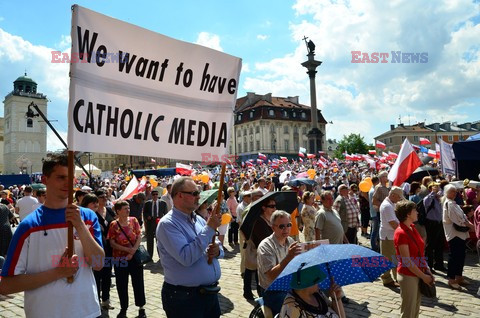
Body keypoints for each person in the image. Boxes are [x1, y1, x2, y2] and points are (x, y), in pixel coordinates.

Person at [0, 154, 104, 318]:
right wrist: (58, 273)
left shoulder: (89, 218)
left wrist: (80, 225)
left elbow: (98, 264)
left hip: (88, 312)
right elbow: (6, 285)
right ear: (45, 179)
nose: (68, 183)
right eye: (61, 177)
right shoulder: (28, 226)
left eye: (70, 177)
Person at [157, 177, 223, 318]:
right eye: (194, 193)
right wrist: (210, 227)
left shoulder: (199, 219)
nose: (199, 196)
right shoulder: (167, 224)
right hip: (185, 298)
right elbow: (186, 257)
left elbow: (217, 245)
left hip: (209, 294)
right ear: (180, 195)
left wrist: (217, 250)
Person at [394, 200, 434, 318]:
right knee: (408, 311)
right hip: (408, 275)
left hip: (418, 271)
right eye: (415, 210)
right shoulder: (401, 232)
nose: (417, 212)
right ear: (408, 214)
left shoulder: (412, 227)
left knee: (415, 309)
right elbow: (407, 261)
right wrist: (424, 277)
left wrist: (426, 270)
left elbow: (420, 253)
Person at [257, 210, 302, 316]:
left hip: (289, 286)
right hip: (272, 290)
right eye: (282, 226)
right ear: (273, 227)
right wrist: (289, 257)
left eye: (289, 225)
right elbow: (271, 275)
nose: (286, 229)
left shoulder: (290, 241)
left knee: (313, 298)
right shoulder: (266, 246)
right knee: (294, 310)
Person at [108, 200, 146, 318]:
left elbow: (139, 236)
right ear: (118, 211)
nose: (128, 210)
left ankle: (141, 308)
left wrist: (132, 251)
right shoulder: (113, 224)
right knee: (121, 284)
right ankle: (123, 308)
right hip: (120, 259)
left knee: (138, 283)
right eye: (125, 208)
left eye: (128, 208)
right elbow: (112, 243)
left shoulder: (134, 220)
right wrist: (127, 251)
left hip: (135, 258)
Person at [279, 265, 345, 318]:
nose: (319, 284)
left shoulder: (318, 294)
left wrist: (336, 298)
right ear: (307, 284)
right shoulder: (292, 308)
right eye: (317, 281)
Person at [442, 184, 475, 290]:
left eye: (455, 191)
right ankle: (451, 279)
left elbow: (462, 216)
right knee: (455, 257)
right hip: (454, 234)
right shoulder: (449, 204)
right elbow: (457, 220)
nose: (454, 193)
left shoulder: (453, 203)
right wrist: (469, 225)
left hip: (459, 234)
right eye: (452, 191)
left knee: (461, 256)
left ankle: (459, 277)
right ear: (447, 192)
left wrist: (467, 221)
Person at [94, 190, 117, 310]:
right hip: (97, 248)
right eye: (101, 197)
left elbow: (114, 223)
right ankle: (96, 300)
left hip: (108, 248)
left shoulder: (108, 210)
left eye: (105, 196)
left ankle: (106, 300)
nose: (104, 198)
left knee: (107, 274)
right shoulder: (92, 212)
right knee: (97, 275)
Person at [379, 186, 403, 288]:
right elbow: (393, 223)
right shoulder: (387, 206)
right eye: (398, 197)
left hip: (390, 235)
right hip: (388, 236)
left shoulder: (390, 204)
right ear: (393, 195)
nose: (399, 199)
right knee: (387, 259)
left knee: (393, 258)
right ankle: (387, 279)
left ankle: (395, 277)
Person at [423, 182, 446, 271]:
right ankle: (429, 266)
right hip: (431, 223)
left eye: (438, 187)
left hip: (439, 223)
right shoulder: (428, 198)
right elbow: (426, 203)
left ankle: (439, 264)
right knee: (430, 245)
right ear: (430, 189)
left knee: (440, 245)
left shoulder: (439, 198)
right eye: (435, 187)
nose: (437, 189)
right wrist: (433, 193)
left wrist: (439, 196)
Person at [143, 188, 164, 258]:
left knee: (160, 240)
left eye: (156, 194)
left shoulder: (162, 203)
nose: (155, 196)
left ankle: (161, 255)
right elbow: (144, 213)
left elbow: (166, 213)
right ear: (151, 195)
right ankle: (149, 255)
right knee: (149, 240)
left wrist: (162, 219)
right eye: (154, 194)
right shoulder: (147, 203)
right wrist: (147, 216)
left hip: (159, 223)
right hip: (150, 223)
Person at [369, 177, 380, 252]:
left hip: (374, 212)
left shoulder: (372, 190)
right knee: (375, 230)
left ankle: (375, 246)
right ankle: (374, 247)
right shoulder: (373, 191)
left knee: (375, 229)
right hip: (375, 213)